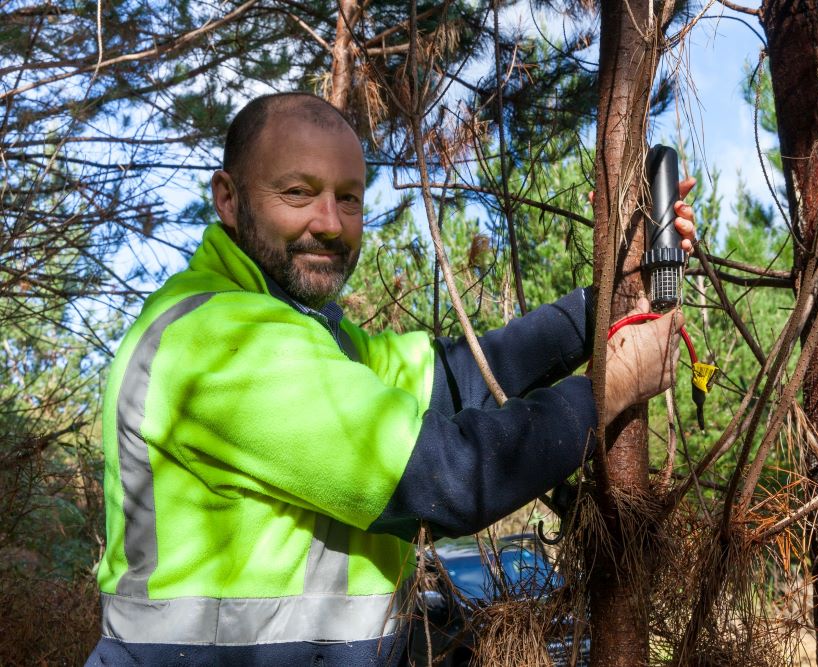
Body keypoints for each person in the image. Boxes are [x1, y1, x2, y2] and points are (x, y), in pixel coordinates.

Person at [86, 92, 697, 666]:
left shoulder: (316, 338)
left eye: (348, 198)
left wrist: (610, 295)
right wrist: (611, 384)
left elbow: (458, 378)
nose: (329, 222)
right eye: (299, 192)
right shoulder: (217, 341)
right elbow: (451, 475)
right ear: (227, 198)